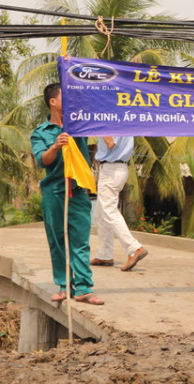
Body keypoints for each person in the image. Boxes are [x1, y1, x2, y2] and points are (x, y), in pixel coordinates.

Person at [30, 83, 104, 305]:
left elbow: (93, 110)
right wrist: (55, 146)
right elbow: (43, 160)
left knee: (81, 240)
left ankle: (83, 287)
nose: (70, 99)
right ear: (52, 101)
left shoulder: (78, 124)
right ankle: (64, 285)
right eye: (65, 95)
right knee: (57, 240)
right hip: (54, 191)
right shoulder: (40, 132)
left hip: (78, 190)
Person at [90, 136, 148, 271]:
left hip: (111, 169)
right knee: (100, 213)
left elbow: (110, 143)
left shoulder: (110, 120)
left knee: (109, 211)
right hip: (116, 167)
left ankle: (134, 248)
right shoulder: (123, 120)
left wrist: (100, 127)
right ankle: (105, 254)